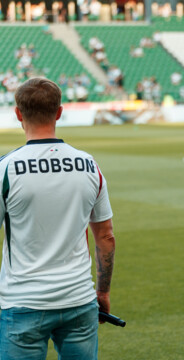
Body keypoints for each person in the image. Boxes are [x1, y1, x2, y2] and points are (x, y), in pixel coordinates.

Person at [0, 78, 115, 359]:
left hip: (22, 302)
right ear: (59, 112)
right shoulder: (89, 165)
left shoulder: (6, 169)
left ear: (18, 113)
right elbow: (105, 237)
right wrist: (102, 292)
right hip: (78, 299)